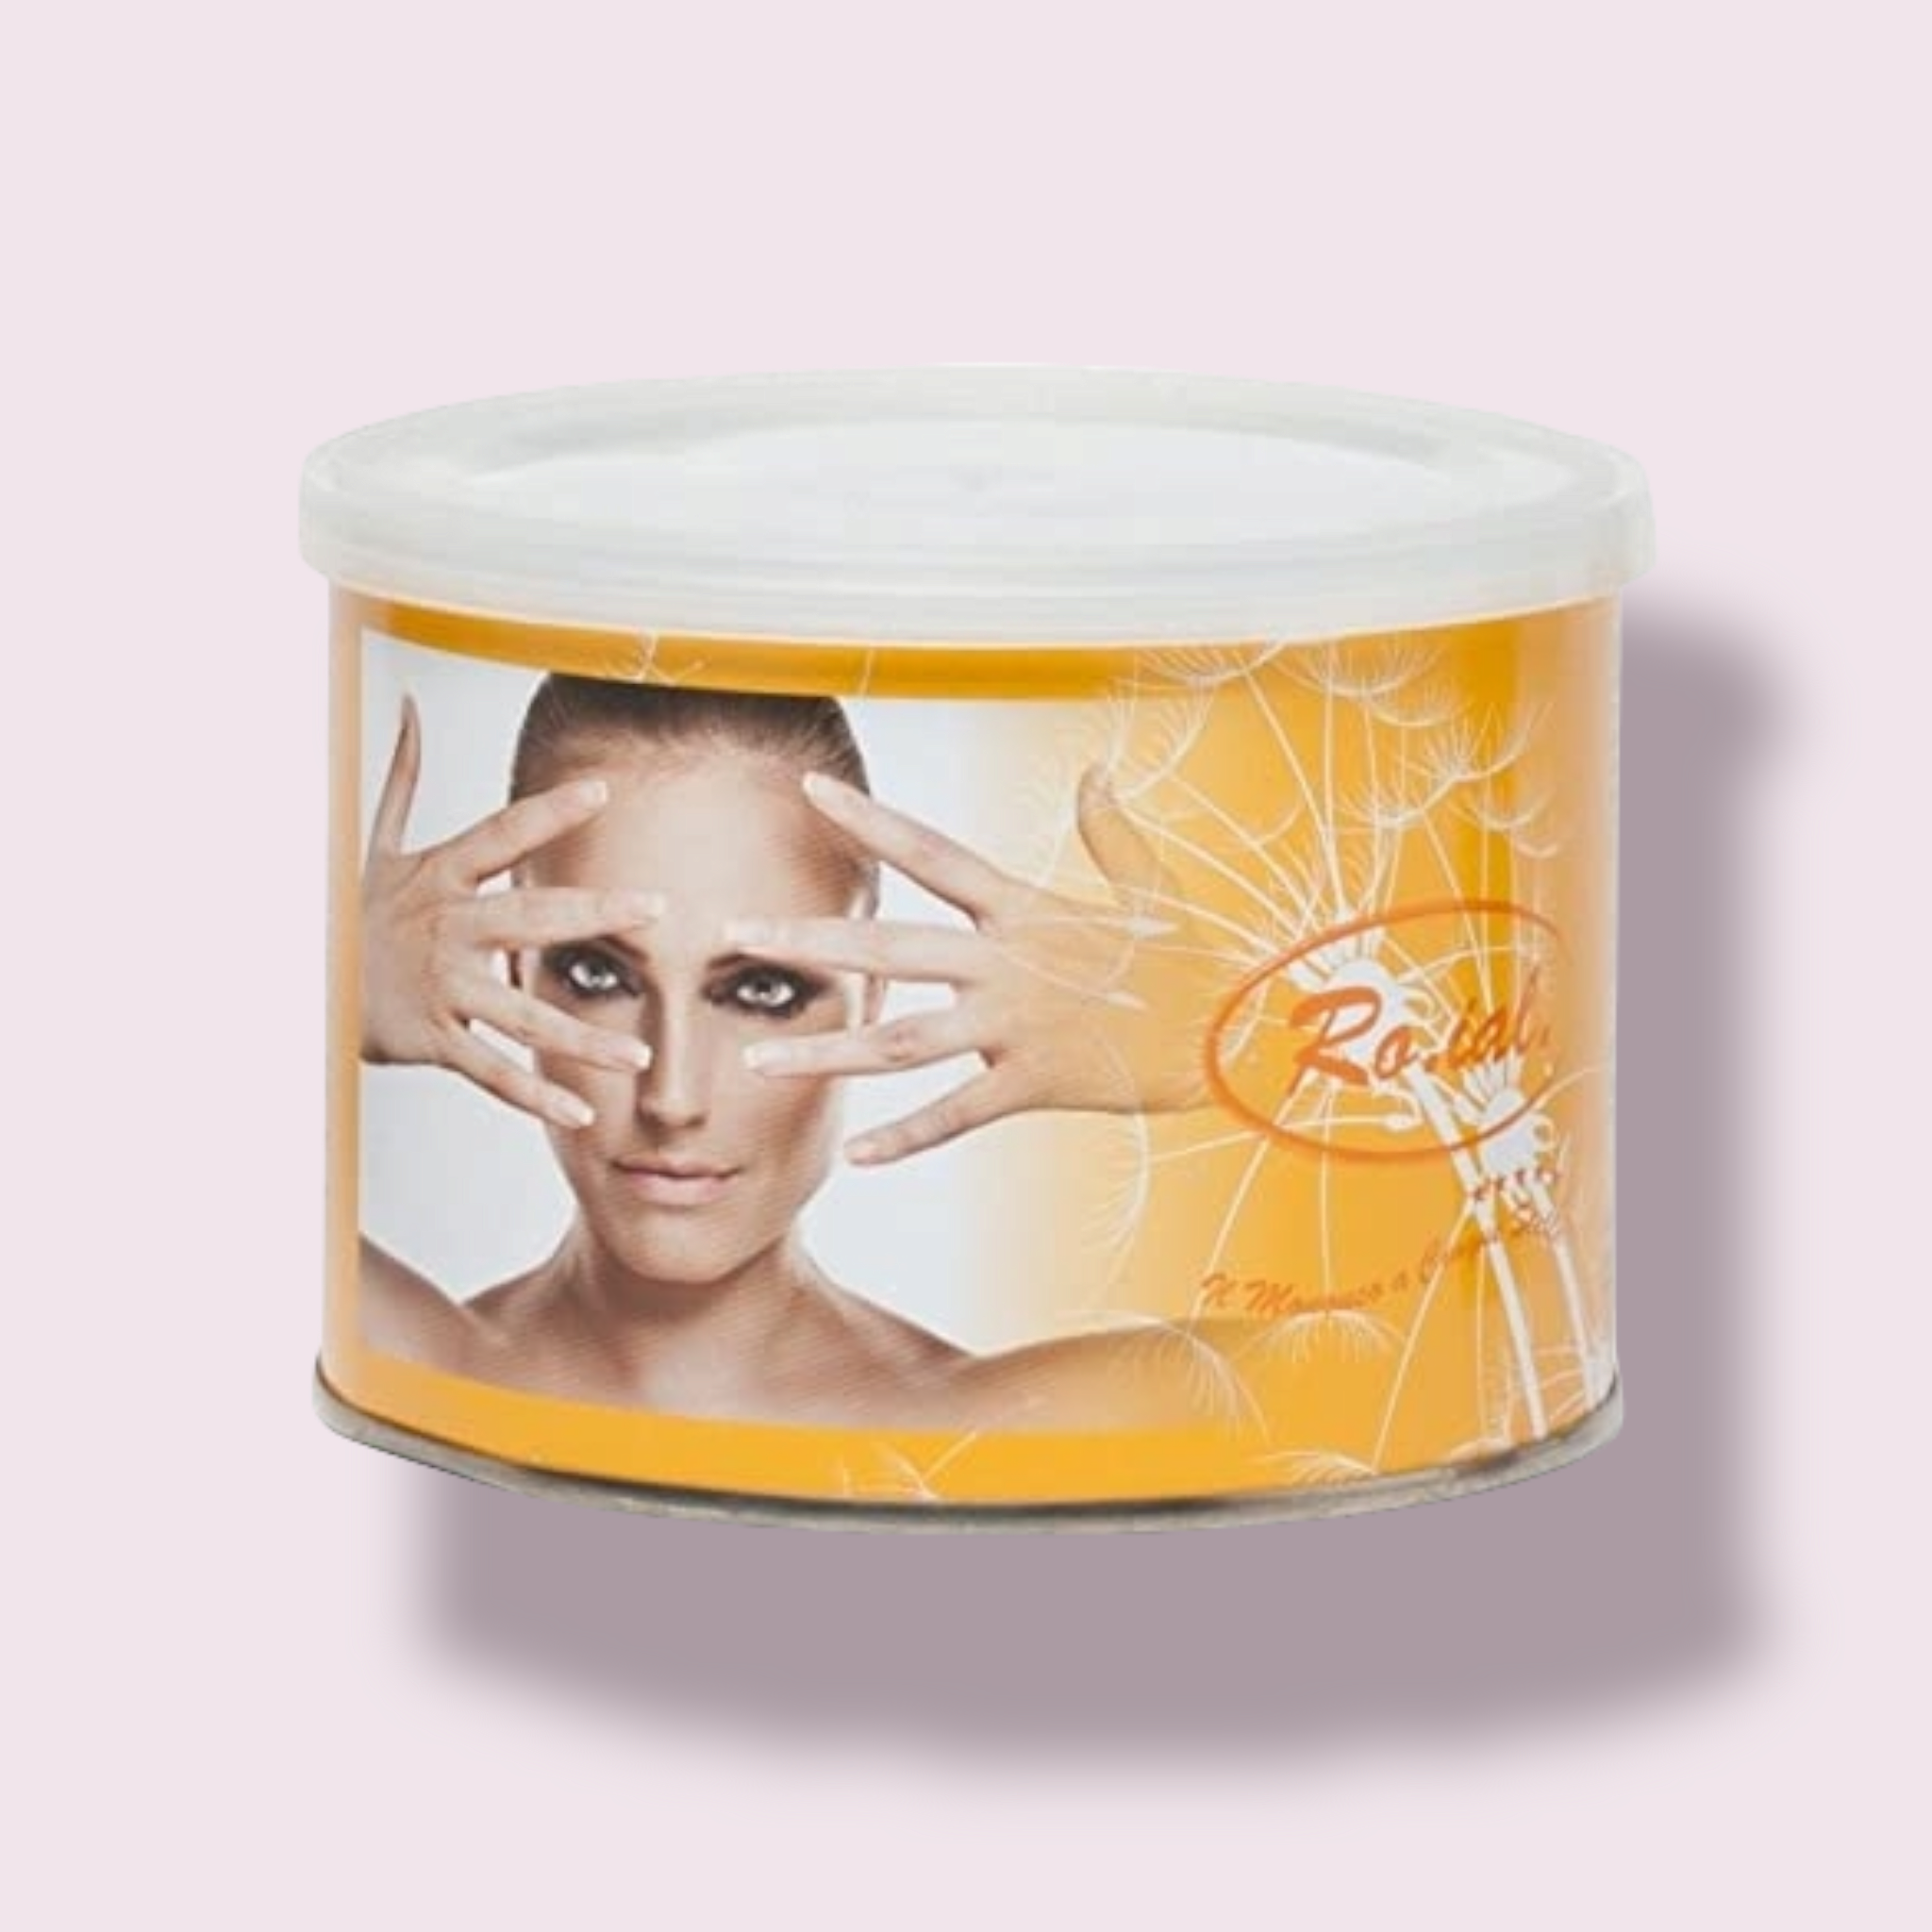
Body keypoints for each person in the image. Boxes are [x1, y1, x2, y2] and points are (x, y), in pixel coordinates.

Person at [358, 674, 1249, 1432]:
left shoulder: (980, 1423)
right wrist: (328, 994)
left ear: (873, 992)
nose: (673, 1097)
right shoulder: (414, 1359)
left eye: (763, 991)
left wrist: (1239, 1054)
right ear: (511, 972)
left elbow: (1343, 1386)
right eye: (597, 974)